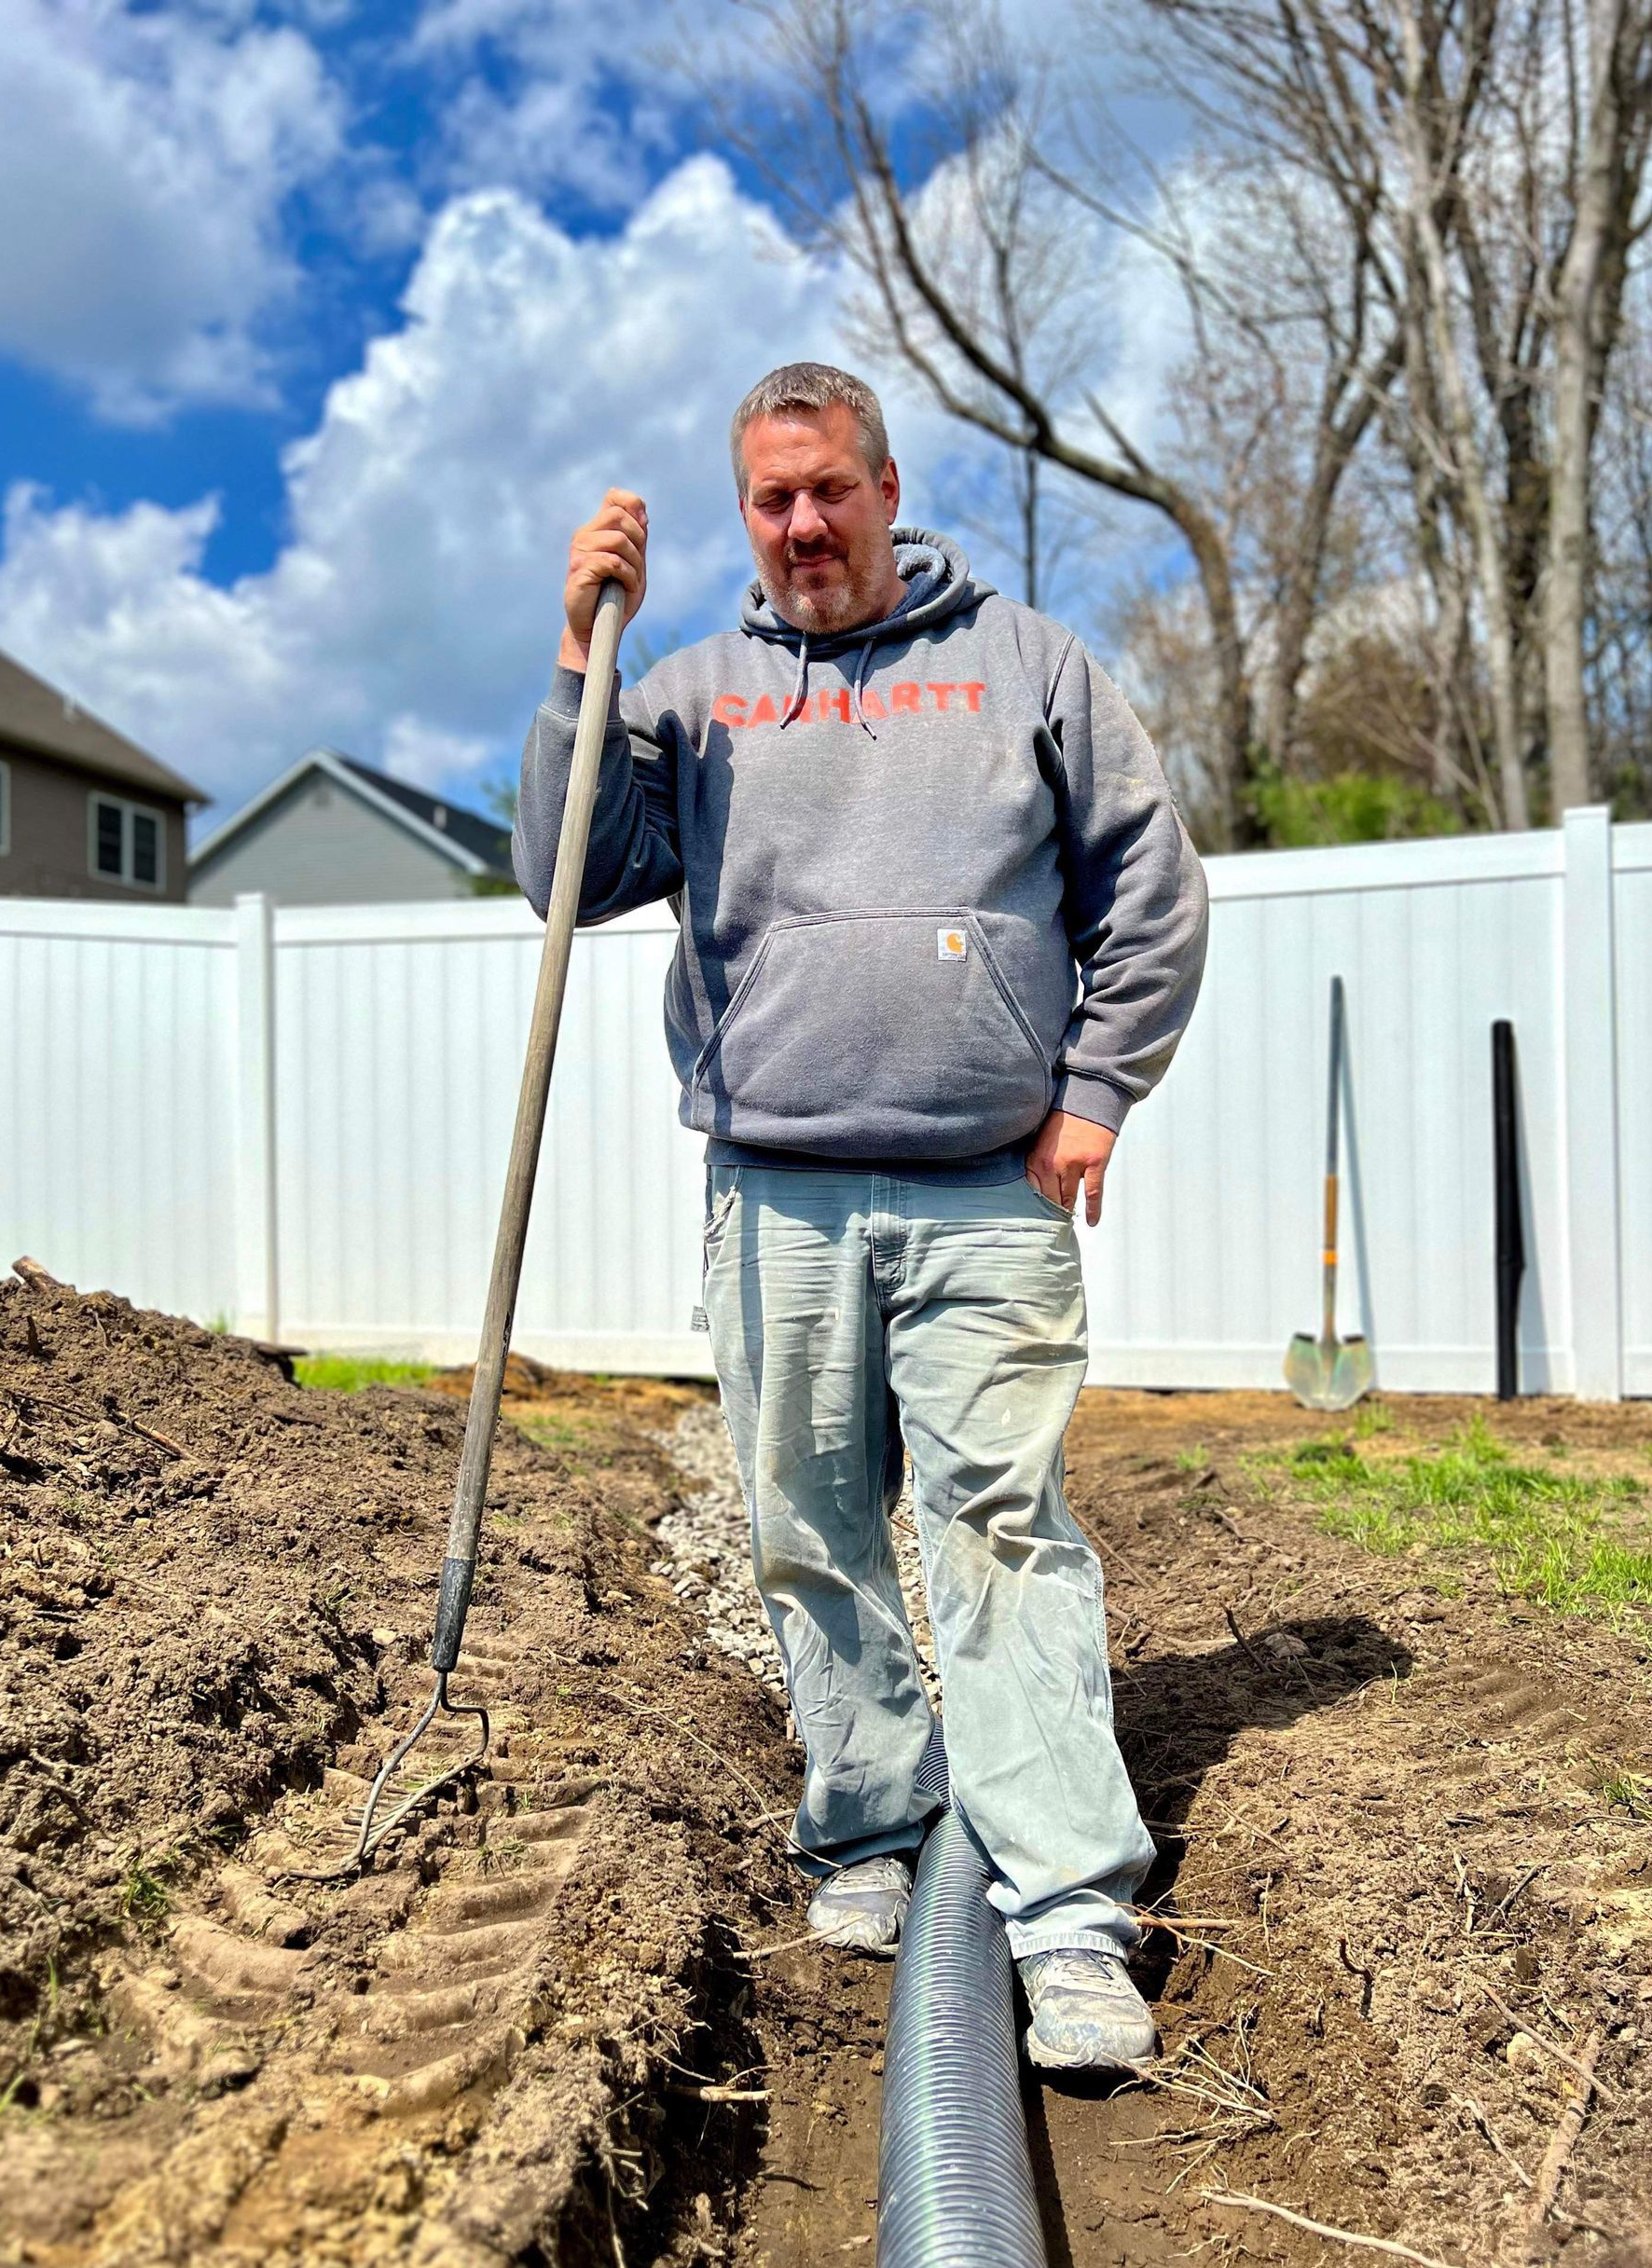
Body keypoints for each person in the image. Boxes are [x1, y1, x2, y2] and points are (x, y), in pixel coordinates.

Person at [516, 362, 1208, 2071]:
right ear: (744, 515)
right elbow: (567, 877)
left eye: (830, 489)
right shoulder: (689, 694)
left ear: (889, 487)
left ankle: (1065, 1913)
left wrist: (1093, 1096)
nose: (804, 525)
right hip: (779, 1192)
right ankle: (874, 1825)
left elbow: (1153, 894)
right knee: (809, 1528)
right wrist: (576, 661)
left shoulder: (1030, 669)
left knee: (1004, 1527)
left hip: (989, 1185)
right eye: (772, 500)